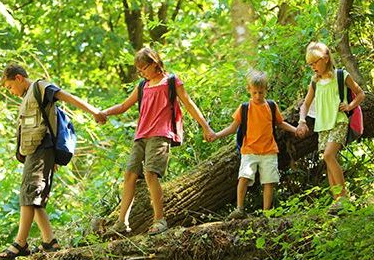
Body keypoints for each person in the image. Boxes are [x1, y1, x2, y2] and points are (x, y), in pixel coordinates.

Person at [0, 63, 106, 260]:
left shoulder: (40, 88)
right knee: (33, 196)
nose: (11, 92)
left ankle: (20, 243)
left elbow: (66, 96)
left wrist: (94, 111)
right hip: (35, 152)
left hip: (42, 149)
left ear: (19, 78)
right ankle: (49, 241)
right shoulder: (27, 97)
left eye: (10, 87)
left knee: (30, 193)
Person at [102, 47, 214, 235]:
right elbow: (123, 106)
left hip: (161, 133)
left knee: (150, 173)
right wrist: (104, 112)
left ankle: (160, 220)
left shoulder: (171, 82)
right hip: (141, 135)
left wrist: (206, 127)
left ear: (155, 63)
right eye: (138, 70)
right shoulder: (142, 86)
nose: (141, 73)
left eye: (143, 68)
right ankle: (122, 222)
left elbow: (189, 104)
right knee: (130, 174)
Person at [211, 70, 296, 218]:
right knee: (243, 177)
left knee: (268, 181)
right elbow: (232, 128)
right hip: (249, 150)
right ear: (249, 90)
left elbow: (280, 123)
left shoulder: (271, 106)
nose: (258, 96)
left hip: (269, 150)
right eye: (255, 92)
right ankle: (240, 209)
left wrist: (296, 130)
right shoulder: (244, 108)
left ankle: (266, 213)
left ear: (266, 90)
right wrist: (216, 135)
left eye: (261, 93)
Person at [296, 41, 365, 210]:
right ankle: (337, 202)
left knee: (328, 155)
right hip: (323, 125)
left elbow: (360, 94)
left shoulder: (341, 75)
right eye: (310, 64)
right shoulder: (315, 82)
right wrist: (302, 120)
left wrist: (350, 106)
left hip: (339, 121)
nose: (313, 66)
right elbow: (305, 104)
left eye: (315, 62)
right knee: (328, 160)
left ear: (326, 58)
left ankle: (343, 199)